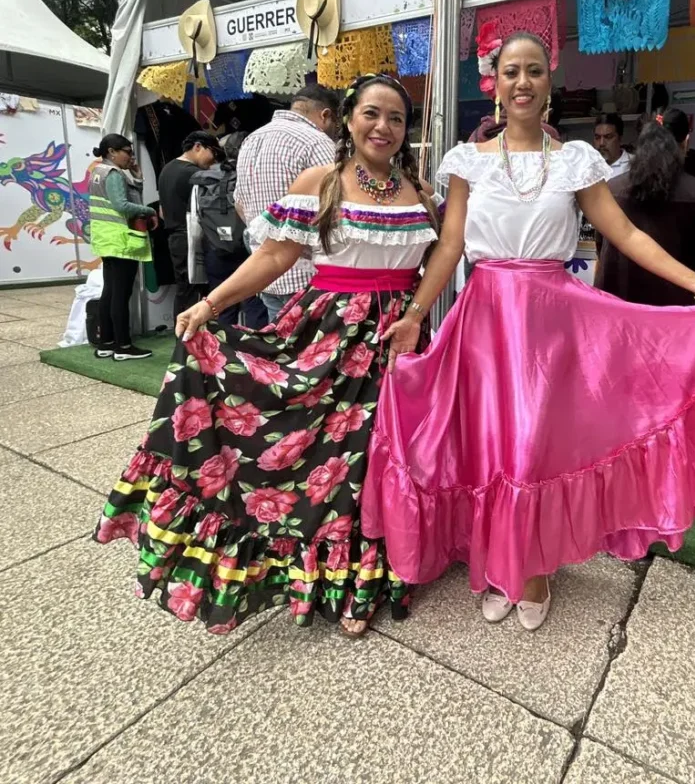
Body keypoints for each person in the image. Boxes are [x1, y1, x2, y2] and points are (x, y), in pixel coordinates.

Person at [364, 32, 695, 632]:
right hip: (483, 320)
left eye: (533, 71)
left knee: (535, 446)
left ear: (548, 83)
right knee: (491, 443)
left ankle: (531, 570)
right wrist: (414, 313)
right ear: (494, 82)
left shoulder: (576, 160)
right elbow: (451, 244)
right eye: (511, 71)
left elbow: (627, 235)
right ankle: (496, 564)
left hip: (551, 326)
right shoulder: (464, 162)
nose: (522, 82)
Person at [95, 74, 441, 637]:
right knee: (328, 466)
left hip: (399, 342)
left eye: (397, 118)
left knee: (383, 460)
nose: (384, 127)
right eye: (372, 114)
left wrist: (418, 316)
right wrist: (212, 303)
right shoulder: (321, 182)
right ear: (348, 118)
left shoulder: (419, 191)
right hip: (330, 337)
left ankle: (375, 578)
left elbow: (436, 263)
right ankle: (330, 580)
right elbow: (276, 257)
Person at [596, 109, 695, 306]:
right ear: (686, 142)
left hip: (618, 307)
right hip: (675, 313)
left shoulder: (612, 189)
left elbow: (601, 248)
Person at [235, 85, 339, 322]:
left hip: (264, 270)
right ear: (325, 115)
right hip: (307, 274)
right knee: (311, 352)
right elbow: (336, 204)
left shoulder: (251, 139)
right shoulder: (317, 141)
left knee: (280, 349)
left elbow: (240, 204)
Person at [88, 134, 159, 361]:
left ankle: (106, 343)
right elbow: (122, 205)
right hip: (121, 239)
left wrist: (137, 177)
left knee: (109, 291)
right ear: (112, 151)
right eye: (127, 151)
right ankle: (123, 346)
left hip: (106, 238)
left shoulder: (98, 172)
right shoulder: (114, 174)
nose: (131, 156)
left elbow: (124, 197)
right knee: (121, 294)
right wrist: (150, 211)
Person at [189, 131, 268, 329]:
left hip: (216, 249)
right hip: (249, 249)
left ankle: (225, 353)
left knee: (220, 304)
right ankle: (254, 353)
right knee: (255, 304)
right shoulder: (255, 176)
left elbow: (195, 216)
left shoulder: (203, 179)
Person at [158, 130, 222, 319]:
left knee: (184, 289)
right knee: (195, 291)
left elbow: (162, 211)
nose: (214, 160)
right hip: (191, 237)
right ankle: (189, 340)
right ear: (197, 147)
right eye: (213, 153)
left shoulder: (167, 169)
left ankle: (182, 339)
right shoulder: (194, 174)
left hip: (175, 236)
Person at [594, 112, 631, 178]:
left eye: (608, 137)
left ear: (620, 138)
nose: (601, 143)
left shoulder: (634, 165)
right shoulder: (588, 167)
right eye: (597, 137)